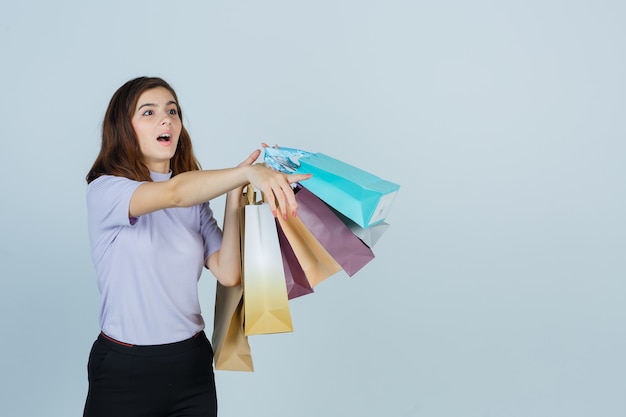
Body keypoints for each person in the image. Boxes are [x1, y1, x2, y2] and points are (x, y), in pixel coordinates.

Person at [83, 76, 310, 417]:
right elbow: (174, 193)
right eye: (149, 112)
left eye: (172, 110)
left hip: (191, 366)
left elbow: (228, 272)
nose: (166, 119)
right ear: (123, 128)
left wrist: (235, 194)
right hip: (124, 368)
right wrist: (245, 174)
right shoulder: (107, 191)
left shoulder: (196, 200)